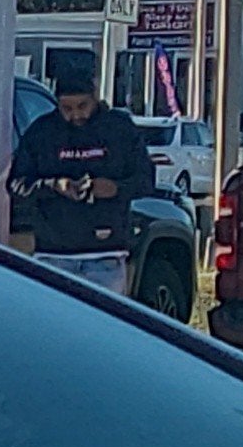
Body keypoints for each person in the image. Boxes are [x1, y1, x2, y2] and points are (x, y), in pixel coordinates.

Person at [11, 57, 155, 294]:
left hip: (107, 254)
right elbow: (17, 184)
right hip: (53, 254)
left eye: (82, 106)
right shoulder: (42, 132)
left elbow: (146, 180)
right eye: (66, 108)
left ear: (95, 97)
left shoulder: (119, 129)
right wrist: (55, 185)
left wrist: (115, 188)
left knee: (103, 317)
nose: (76, 115)